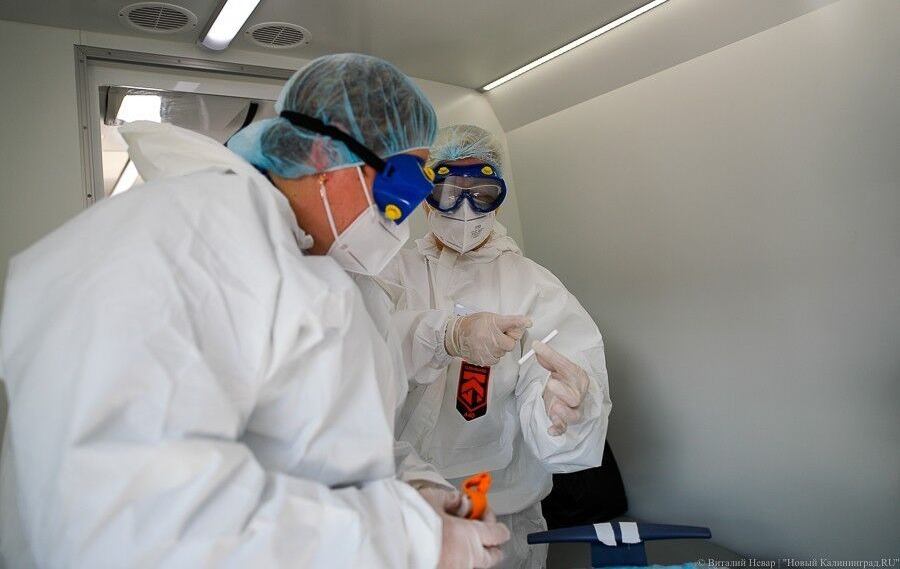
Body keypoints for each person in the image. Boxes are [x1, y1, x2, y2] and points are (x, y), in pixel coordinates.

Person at [0, 56, 508, 568]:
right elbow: (131, 520)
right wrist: (408, 539)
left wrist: (411, 490)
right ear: (321, 153)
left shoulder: (323, 273)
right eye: (400, 181)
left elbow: (330, 443)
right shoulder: (175, 243)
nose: (401, 215)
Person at [368, 124, 612, 568]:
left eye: (481, 193)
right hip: (397, 508)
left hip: (500, 517)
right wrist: (444, 335)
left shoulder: (533, 286)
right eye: (448, 192)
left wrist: (566, 410)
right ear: (426, 196)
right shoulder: (391, 272)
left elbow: (555, 376)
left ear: (498, 198)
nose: (465, 209)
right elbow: (361, 358)